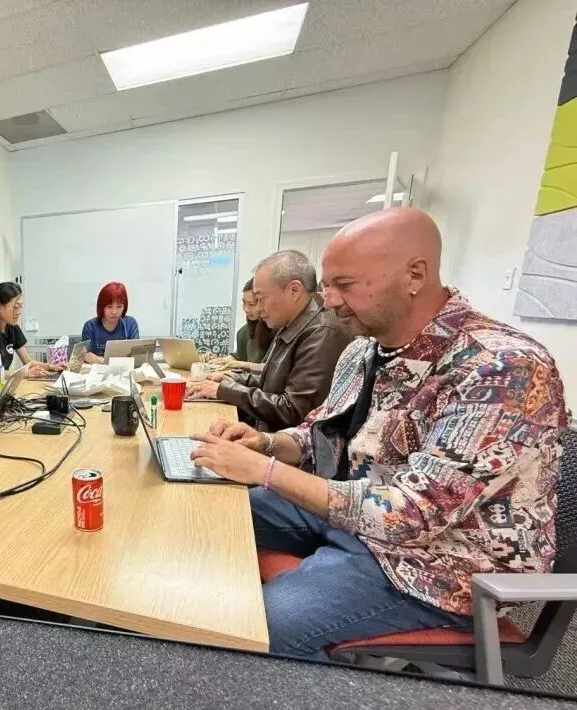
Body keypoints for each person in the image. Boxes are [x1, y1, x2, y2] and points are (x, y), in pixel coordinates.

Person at [188, 208, 567, 660]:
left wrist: (265, 470)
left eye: (345, 284)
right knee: (213, 513)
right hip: (355, 517)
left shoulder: (502, 368)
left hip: (437, 566)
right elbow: (318, 434)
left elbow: (411, 515)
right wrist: (267, 443)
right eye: (327, 285)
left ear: (415, 275)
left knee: (259, 627)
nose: (329, 300)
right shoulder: (363, 351)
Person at [186, 251, 351, 433]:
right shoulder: (290, 324)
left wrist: (226, 390)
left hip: (281, 443)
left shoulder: (322, 332)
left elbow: (293, 410)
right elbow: (274, 381)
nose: (258, 308)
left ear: (294, 291)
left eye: (261, 299)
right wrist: (234, 378)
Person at [0, 282, 61, 384]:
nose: (19, 311)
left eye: (21, 306)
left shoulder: (12, 327)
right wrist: (24, 373)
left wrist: (50, 366)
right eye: (16, 307)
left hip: (1, 384)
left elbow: (28, 362)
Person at [80, 281, 140, 363]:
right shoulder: (90, 326)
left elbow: (137, 355)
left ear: (124, 307)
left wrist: (106, 361)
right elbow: (86, 356)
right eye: (109, 307)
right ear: (102, 307)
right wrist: (104, 362)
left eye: (119, 306)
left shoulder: (130, 324)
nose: (114, 312)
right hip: (97, 369)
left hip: (124, 369)